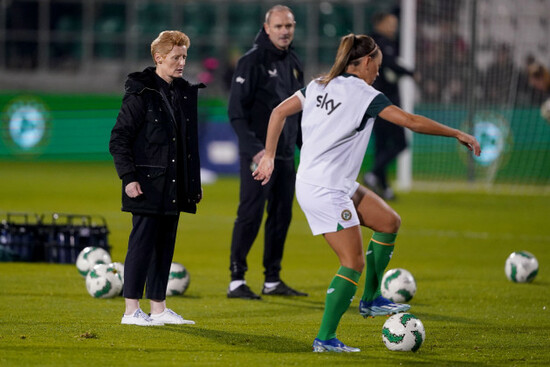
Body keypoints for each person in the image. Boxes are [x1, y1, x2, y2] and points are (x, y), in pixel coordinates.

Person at [253, 34, 481, 352]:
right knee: (353, 262)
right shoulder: (364, 94)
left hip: (330, 181)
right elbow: (411, 122)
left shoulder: (319, 84)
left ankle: (372, 299)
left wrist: (268, 155)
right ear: (366, 62)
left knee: (389, 222)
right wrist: (456, 132)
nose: (378, 72)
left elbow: (278, 112)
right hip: (325, 188)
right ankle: (325, 338)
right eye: (378, 65)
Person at [109, 30, 204, 326]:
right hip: (146, 184)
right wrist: (129, 177)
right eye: (176, 57)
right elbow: (119, 138)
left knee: (165, 245)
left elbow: (187, 146)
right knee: (141, 244)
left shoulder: (182, 93)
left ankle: (159, 309)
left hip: (173, 186)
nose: (182, 62)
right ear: (159, 58)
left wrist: (192, 184)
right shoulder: (140, 92)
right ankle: (130, 311)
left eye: (184, 57)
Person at [226, 5, 307, 299]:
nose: (285, 31)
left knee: (282, 216)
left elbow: (298, 114)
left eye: (289, 26)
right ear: (267, 27)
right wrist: (257, 152)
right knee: (250, 213)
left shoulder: (295, 61)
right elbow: (235, 113)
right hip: (258, 155)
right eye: (279, 26)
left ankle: (272, 279)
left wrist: (305, 151)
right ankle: (236, 280)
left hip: (286, 154)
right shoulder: (252, 62)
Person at [363, 12, 414, 200]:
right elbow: (391, 63)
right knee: (401, 142)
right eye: (390, 23)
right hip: (385, 101)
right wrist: (410, 73)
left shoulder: (369, 42)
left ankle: (383, 187)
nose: (394, 27)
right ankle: (374, 173)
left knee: (382, 145)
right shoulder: (381, 44)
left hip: (373, 100)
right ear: (379, 23)